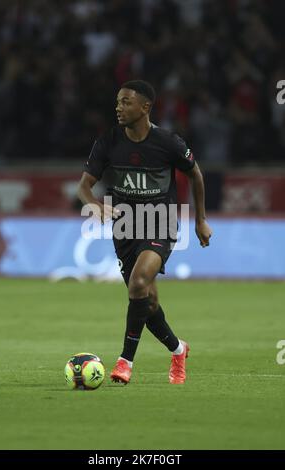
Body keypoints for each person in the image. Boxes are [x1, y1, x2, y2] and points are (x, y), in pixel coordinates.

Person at [78, 80, 212, 385]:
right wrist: (94, 205)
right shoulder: (109, 141)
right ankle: (179, 350)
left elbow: (196, 175)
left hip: (160, 222)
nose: (119, 107)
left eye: (126, 102)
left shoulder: (168, 143)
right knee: (145, 300)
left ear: (145, 107)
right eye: (117, 102)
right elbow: (83, 186)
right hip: (124, 227)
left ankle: (125, 361)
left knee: (138, 283)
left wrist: (200, 220)